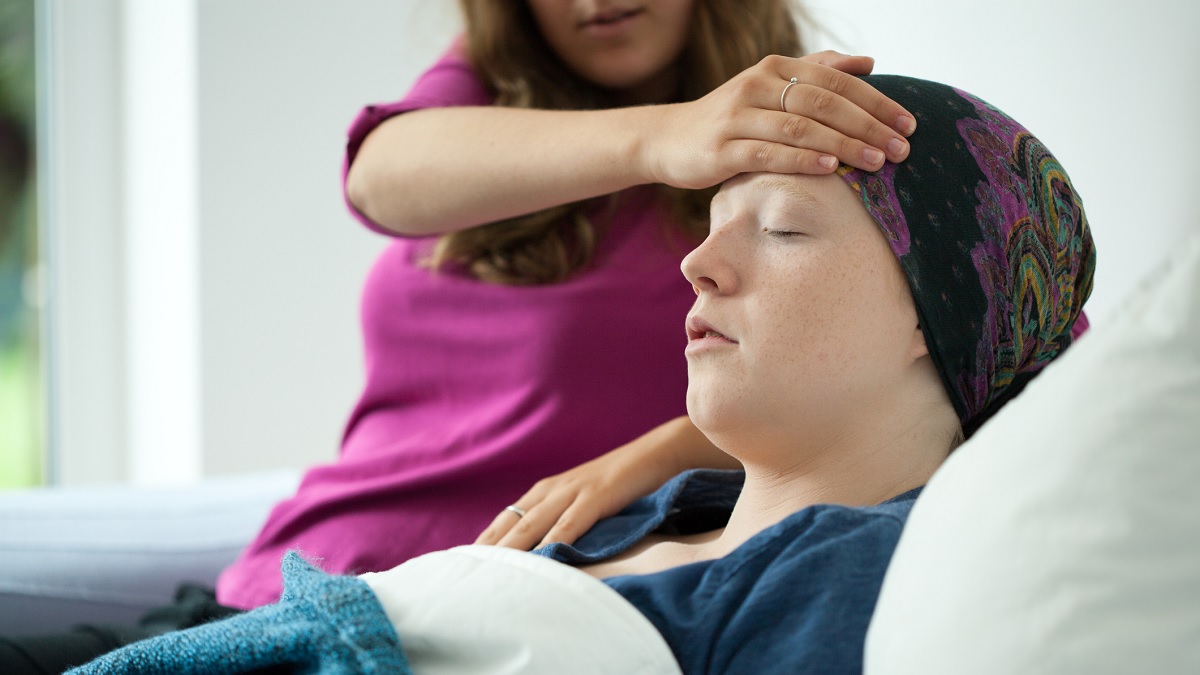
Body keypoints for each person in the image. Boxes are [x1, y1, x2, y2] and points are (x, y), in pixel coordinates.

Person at [65, 73, 1096, 675]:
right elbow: (379, 172)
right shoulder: (666, 515)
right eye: (710, 222)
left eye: (780, 229)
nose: (697, 264)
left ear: (942, 314)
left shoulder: (856, 576)